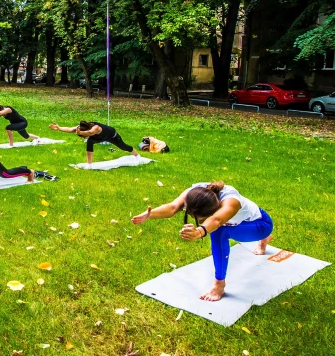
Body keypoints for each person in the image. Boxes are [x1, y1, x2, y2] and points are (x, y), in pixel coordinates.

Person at [131, 181, 274, 301]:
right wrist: (150, 214)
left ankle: (219, 285)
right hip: (242, 222)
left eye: (201, 219)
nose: (199, 221)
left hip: (261, 225)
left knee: (219, 231)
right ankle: (263, 241)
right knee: (219, 228)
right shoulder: (197, 193)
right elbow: (173, 207)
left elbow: (216, 220)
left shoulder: (231, 201)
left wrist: (200, 232)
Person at [49, 120, 138, 164]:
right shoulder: (81, 128)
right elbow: (70, 129)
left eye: (83, 136)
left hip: (112, 136)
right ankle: (89, 164)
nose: (83, 137)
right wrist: (59, 128)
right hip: (99, 138)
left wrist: (80, 133)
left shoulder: (95, 127)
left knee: (123, 147)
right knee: (90, 142)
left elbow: (90, 133)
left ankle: (137, 155)